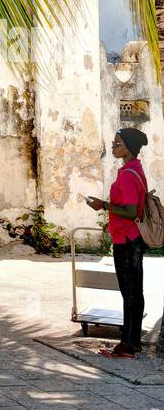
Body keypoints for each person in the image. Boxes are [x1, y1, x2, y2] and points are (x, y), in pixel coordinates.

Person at [86, 127, 148, 358]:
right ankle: (132, 342)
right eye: (113, 142)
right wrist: (110, 219)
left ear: (129, 147)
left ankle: (128, 345)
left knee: (130, 293)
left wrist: (103, 205)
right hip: (128, 237)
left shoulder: (127, 174)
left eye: (117, 143)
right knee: (133, 292)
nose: (113, 146)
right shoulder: (134, 169)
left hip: (128, 241)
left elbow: (131, 211)